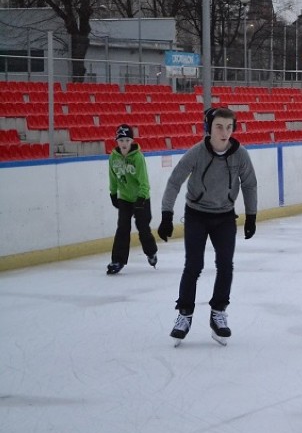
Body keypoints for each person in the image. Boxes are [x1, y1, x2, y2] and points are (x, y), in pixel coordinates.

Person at [157, 107, 258, 346]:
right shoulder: (197, 153)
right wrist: (166, 214)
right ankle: (184, 314)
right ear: (209, 128)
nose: (224, 132)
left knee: (225, 265)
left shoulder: (240, 154)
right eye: (219, 127)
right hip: (197, 215)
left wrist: (251, 215)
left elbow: (250, 184)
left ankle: (218, 313)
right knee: (193, 265)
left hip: (224, 216)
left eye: (229, 127)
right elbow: (174, 182)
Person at [107, 124, 158, 275]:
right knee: (122, 227)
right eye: (121, 140)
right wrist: (113, 193)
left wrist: (141, 198)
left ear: (132, 141)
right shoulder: (113, 157)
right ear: (117, 141)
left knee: (143, 228)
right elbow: (113, 177)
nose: (124, 143)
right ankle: (118, 260)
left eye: (127, 140)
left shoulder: (138, 158)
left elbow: (144, 181)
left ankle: (151, 252)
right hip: (125, 198)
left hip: (141, 198)